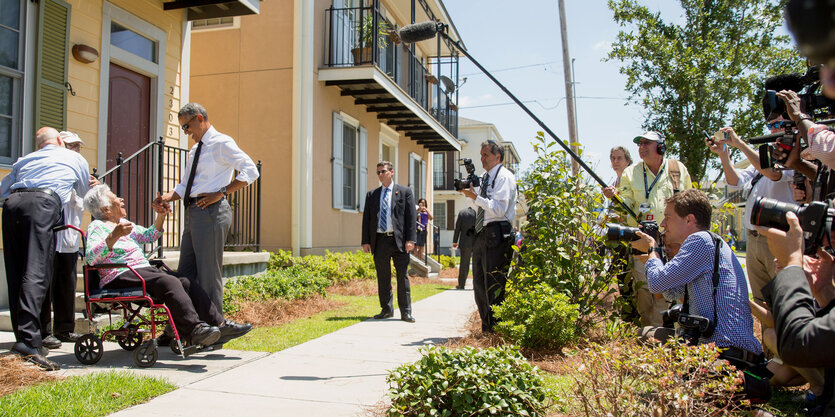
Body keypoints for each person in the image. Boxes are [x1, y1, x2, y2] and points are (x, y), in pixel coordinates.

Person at [84, 184, 245, 348]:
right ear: (106, 209)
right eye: (115, 198)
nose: (121, 199)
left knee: (185, 281)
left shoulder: (123, 223)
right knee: (169, 282)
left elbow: (150, 235)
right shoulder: (97, 227)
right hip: (119, 274)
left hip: (140, 271)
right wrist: (113, 236)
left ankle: (219, 325)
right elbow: (90, 257)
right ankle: (194, 329)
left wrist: (161, 215)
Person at [153, 103, 256, 344]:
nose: (187, 132)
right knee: (185, 276)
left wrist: (222, 192)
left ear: (200, 118)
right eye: (183, 129)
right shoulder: (194, 150)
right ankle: (179, 329)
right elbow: (186, 185)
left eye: (187, 126)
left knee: (209, 275)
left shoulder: (222, 143)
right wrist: (168, 197)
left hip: (211, 212)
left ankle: (214, 331)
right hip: (193, 212)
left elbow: (250, 171)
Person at [0, 127, 93, 371]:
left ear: (39, 144)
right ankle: (30, 343)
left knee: (16, 272)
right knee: (36, 272)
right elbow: (84, 192)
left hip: (12, 205)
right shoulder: (75, 158)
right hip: (42, 203)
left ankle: (24, 338)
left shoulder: (26, 159)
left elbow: (3, 190)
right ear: (61, 141)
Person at [631, 190, 762, 360]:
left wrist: (652, 250)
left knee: (647, 338)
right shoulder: (708, 243)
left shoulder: (701, 240)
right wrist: (656, 259)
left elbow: (657, 284)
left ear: (689, 219)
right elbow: (671, 292)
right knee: (646, 334)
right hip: (715, 346)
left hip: (726, 352)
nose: (662, 224)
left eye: (668, 217)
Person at [604, 131, 692, 327]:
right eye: (639, 144)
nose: (641, 147)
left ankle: (674, 330)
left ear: (660, 147)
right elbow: (624, 205)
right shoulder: (631, 172)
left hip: (675, 241)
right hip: (642, 239)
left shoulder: (678, 169)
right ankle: (649, 331)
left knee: (676, 285)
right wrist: (615, 197)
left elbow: (690, 201)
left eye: (647, 143)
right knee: (644, 287)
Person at [706, 119, 794, 303]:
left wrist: (739, 144)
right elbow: (734, 182)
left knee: (783, 301)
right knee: (761, 302)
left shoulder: (794, 158)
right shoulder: (762, 159)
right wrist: (723, 154)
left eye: (778, 125)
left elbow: (773, 174)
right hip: (755, 240)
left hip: (778, 239)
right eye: (771, 125)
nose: (772, 130)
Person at [759, 212, 835, 414]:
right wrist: (824, 290)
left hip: (802, 354)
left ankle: (817, 389)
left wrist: (793, 264)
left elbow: (799, 343)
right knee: (772, 377)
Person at [40, 132, 92, 350]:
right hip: (50, 236)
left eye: (78, 147)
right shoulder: (51, 169)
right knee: (45, 285)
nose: (75, 150)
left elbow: (88, 200)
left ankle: (64, 328)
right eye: (71, 146)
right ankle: (44, 332)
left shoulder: (79, 170)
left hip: (69, 238)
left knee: (67, 285)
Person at [460, 140, 517, 333]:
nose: (482, 158)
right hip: (481, 233)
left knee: (494, 284)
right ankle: (487, 328)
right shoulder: (484, 177)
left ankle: (497, 330)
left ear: (497, 157)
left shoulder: (504, 177)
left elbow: (499, 209)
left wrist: (477, 197)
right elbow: (479, 208)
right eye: (481, 154)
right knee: (479, 284)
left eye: (486, 155)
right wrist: (471, 194)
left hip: (498, 234)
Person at [361, 161, 417, 323]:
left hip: (399, 241)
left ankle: (406, 312)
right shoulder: (372, 195)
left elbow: (411, 218)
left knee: (402, 276)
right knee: (383, 277)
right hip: (379, 241)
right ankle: (386, 309)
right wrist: (366, 240)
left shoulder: (405, 192)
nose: (380, 175)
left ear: (391, 172)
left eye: (383, 171)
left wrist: (410, 240)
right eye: (378, 172)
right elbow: (367, 220)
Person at [601, 146, 638, 323]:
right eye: (613, 158)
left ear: (628, 161)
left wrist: (616, 197)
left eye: (619, 158)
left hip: (630, 234)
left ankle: (635, 315)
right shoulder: (614, 181)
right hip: (617, 236)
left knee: (632, 277)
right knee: (622, 276)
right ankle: (627, 314)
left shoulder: (631, 180)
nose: (615, 161)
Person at [452, 206, 476, 290]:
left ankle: (461, 284)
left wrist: (455, 241)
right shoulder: (478, 213)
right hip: (476, 241)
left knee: (464, 264)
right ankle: (476, 285)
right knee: (476, 264)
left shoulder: (462, 213)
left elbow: (457, 227)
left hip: (465, 241)